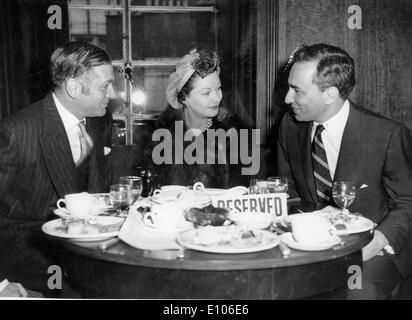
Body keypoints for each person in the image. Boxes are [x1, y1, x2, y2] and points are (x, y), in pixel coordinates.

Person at [277, 43, 412, 299]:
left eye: (296, 90)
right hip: (312, 245)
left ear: (329, 94)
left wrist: (376, 243)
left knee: (356, 290)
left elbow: (408, 200)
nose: (287, 99)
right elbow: (289, 192)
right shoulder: (290, 125)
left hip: (374, 247)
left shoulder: (387, 134)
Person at [0, 41, 116, 297]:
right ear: (73, 87)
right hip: (29, 248)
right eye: (105, 86)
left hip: (82, 242)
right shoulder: (17, 132)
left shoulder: (98, 120)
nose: (114, 95)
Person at [139, 50, 252, 188]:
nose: (217, 98)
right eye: (206, 93)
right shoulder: (159, 137)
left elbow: (240, 190)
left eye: (218, 89)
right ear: (184, 97)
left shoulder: (232, 132)